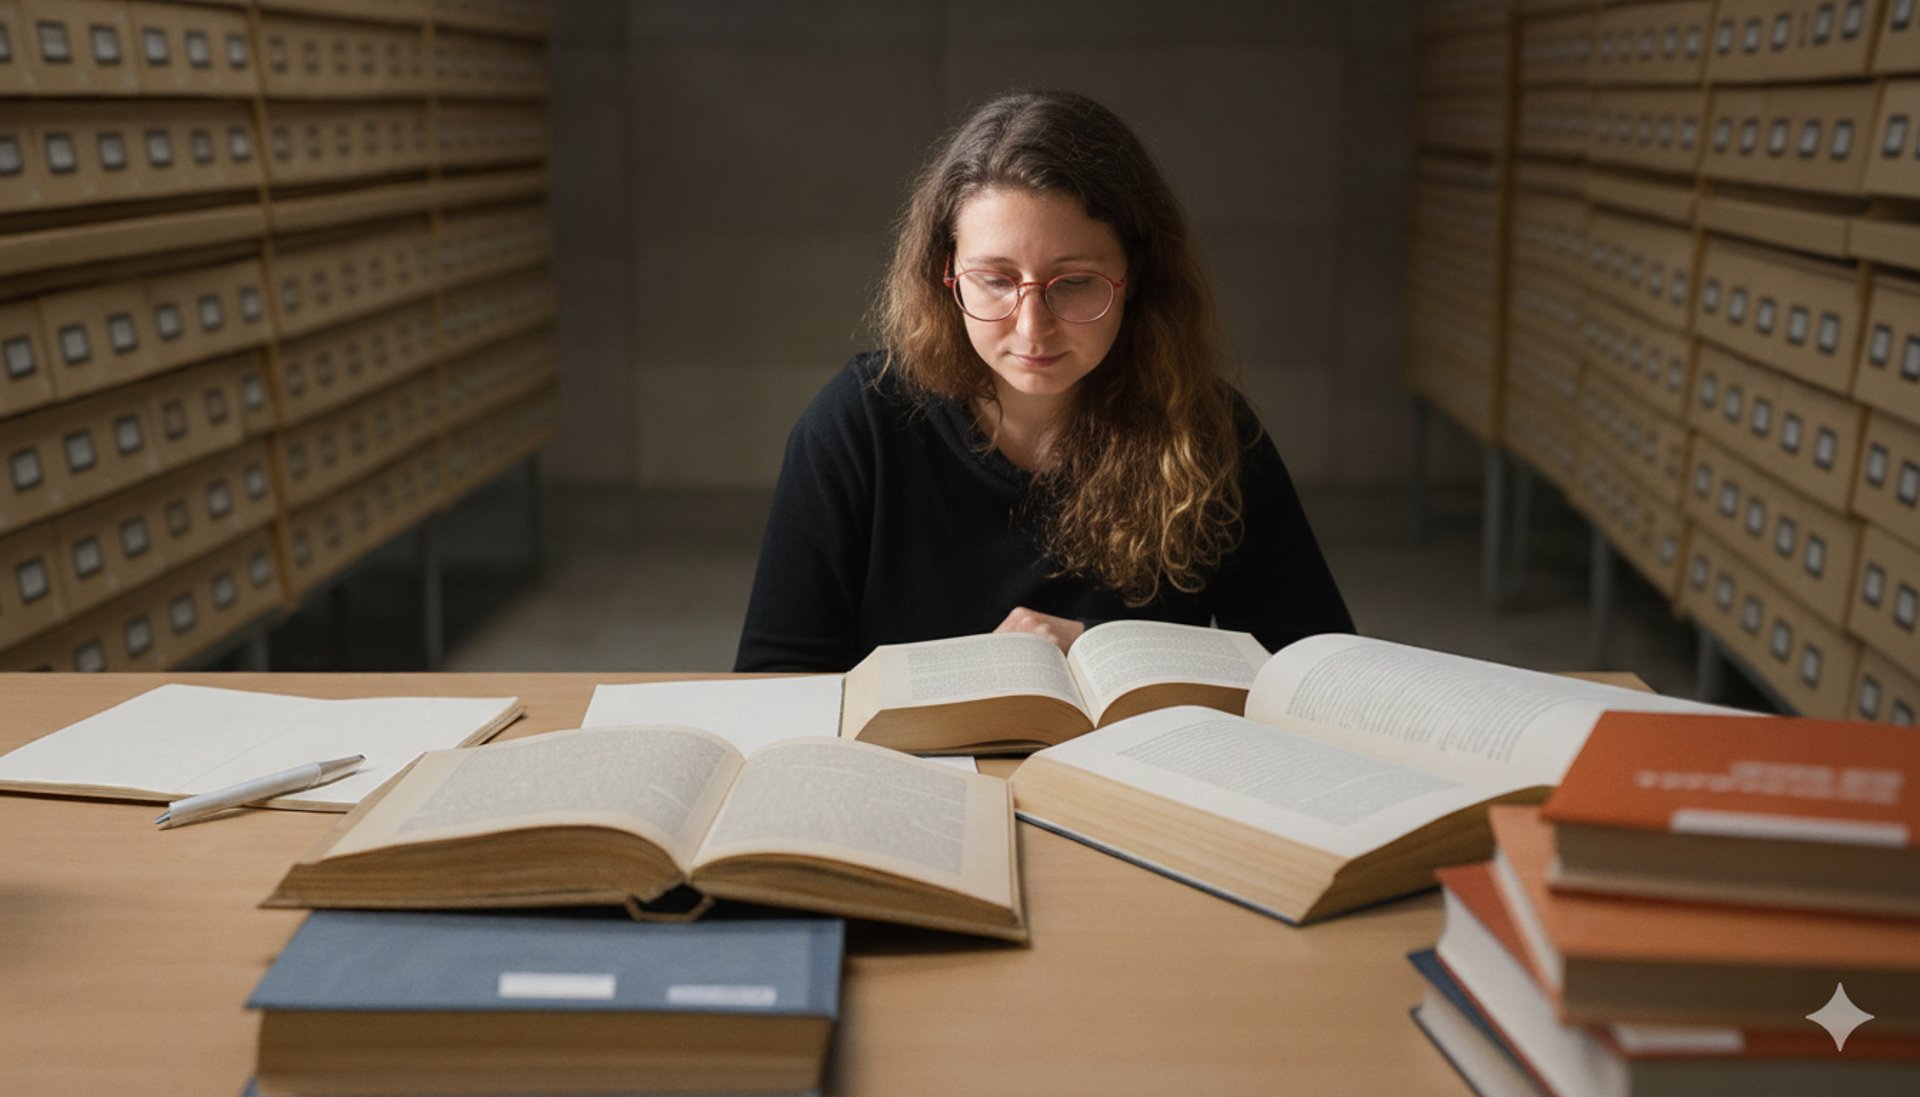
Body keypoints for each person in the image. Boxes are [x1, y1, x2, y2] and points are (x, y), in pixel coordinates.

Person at [734, 90, 1354, 673]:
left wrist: (1101, 650)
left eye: (1075, 282)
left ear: (1133, 275)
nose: (1033, 329)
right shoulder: (858, 421)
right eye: (996, 280)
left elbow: (1317, 670)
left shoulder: (1210, 433)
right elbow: (774, 679)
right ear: (947, 273)